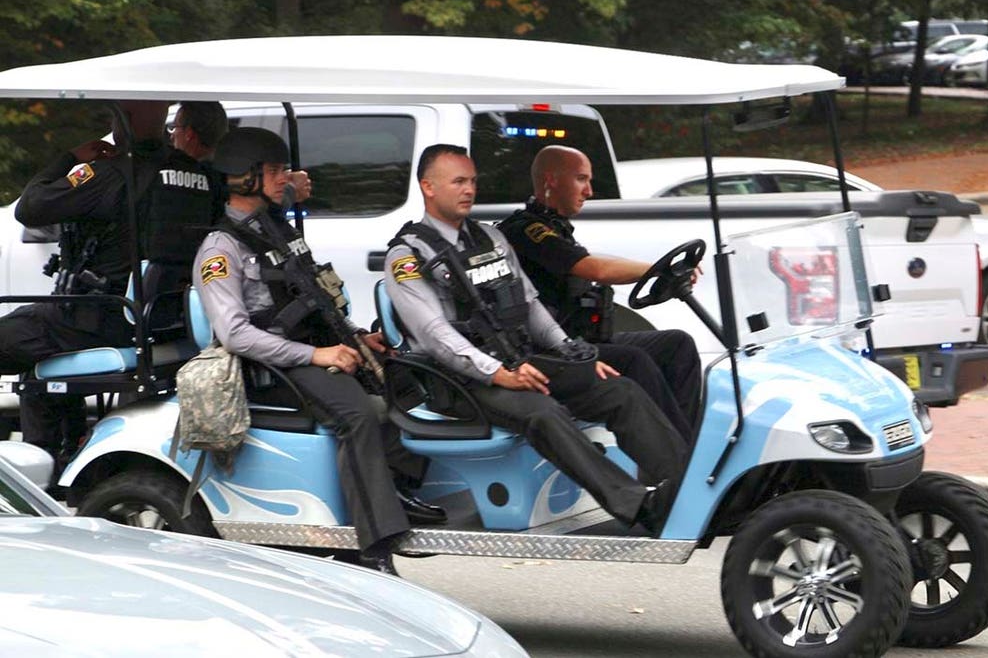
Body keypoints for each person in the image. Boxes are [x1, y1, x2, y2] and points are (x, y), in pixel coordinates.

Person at [384, 144, 687, 534]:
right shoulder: (406, 257)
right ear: (428, 187)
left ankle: (688, 490)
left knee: (618, 389)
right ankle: (637, 504)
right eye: (458, 181)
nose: (469, 190)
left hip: (519, 359)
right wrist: (497, 374)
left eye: (473, 181)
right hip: (460, 381)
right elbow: (436, 336)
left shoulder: (491, 239)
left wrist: (572, 352)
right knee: (542, 413)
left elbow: (530, 306)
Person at [192, 127, 439, 575]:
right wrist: (317, 357)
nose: (284, 178)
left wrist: (358, 338)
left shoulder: (276, 230)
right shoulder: (221, 248)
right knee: (358, 413)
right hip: (274, 367)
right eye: (274, 172)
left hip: (318, 348)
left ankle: (397, 486)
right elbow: (234, 335)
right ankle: (372, 547)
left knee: (419, 379)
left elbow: (316, 298)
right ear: (245, 177)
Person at [0, 100, 187, 469]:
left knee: (19, 335)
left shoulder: (108, 174)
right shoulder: (192, 175)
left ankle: (43, 467)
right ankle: (64, 453)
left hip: (100, 318)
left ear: (124, 118)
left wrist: (70, 158)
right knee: (39, 348)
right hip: (161, 319)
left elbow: (30, 208)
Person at [497, 145, 702, 443]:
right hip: (549, 351)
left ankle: (688, 444)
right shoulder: (527, 231)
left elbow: (600, 262)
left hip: (580, 341)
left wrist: (660, 269)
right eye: (581, 179)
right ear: (551, 180)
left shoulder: (555, 228)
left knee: (677, 344)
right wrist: (657, 270)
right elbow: (595, 269)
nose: (589, 191)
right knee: (633, 361)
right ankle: (675, 458)